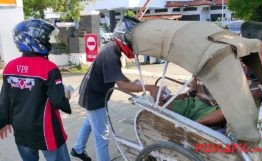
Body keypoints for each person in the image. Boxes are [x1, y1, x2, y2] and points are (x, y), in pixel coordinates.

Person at [70, 16, 159, 161]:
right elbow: (121, 85)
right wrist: (147, 87)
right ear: (123, 37)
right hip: (94, 97)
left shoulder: (111, 47)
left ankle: (78, 149)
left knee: (89, 122)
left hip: (90, 92)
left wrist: (135, 84)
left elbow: (117, 75)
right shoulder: (111, 54)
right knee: (102, 138)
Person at [0, 19, 72, 161]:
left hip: (21, 130)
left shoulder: (9, 67)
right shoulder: (49, 68)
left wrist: (2, 122)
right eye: (45, 38)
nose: (49, 41)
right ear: (34, 40)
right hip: (46, 130)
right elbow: (58, 101)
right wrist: (66, 97)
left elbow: (4, 99)